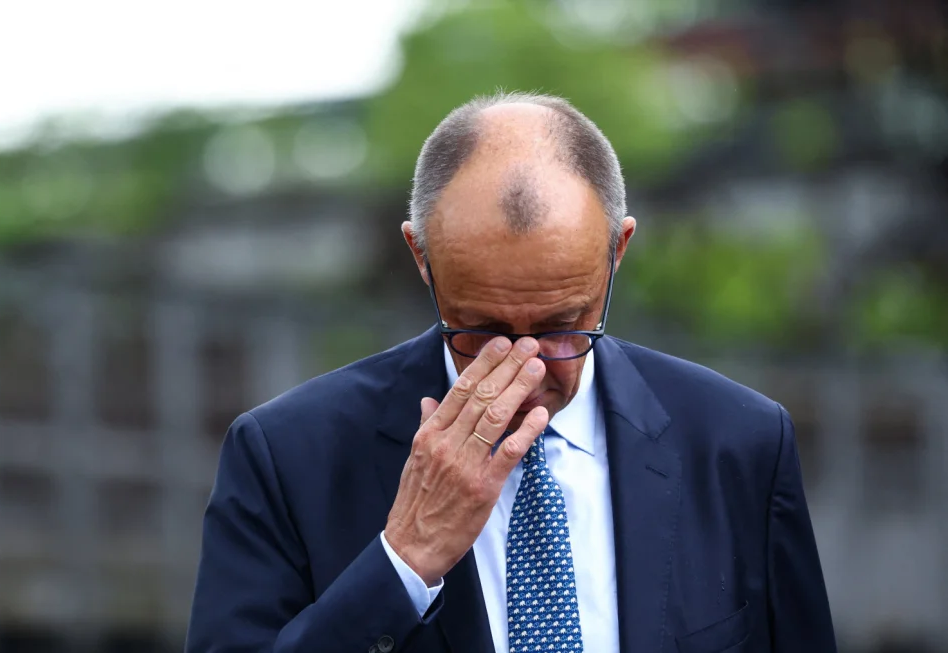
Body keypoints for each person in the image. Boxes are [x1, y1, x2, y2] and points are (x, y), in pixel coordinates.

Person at [185, 92, 836, 653]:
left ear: (618, 250)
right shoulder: (286, 457)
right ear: (421, 256)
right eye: (481, 330)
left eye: (562, 326)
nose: (526, 366)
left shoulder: (738, 442)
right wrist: (402, 560)